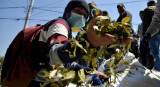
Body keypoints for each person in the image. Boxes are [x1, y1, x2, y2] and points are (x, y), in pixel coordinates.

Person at [2, 0, 133, 87]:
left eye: (85, 15)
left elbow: (66, 62)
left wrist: (89, 71)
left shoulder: (66, 31)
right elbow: (55, 56)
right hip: (34, 81)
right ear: (67, 12)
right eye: (78, 12)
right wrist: (88, 41)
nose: (81, 17)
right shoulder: (60, 25)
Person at [143, 0, 160, 71]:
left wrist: (146, 34)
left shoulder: (147, 10)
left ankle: (158, 69)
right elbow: (157, 21)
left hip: (154, 34)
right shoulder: (157, 6)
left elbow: (147, 23)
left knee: (155, 52)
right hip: (155, 32)